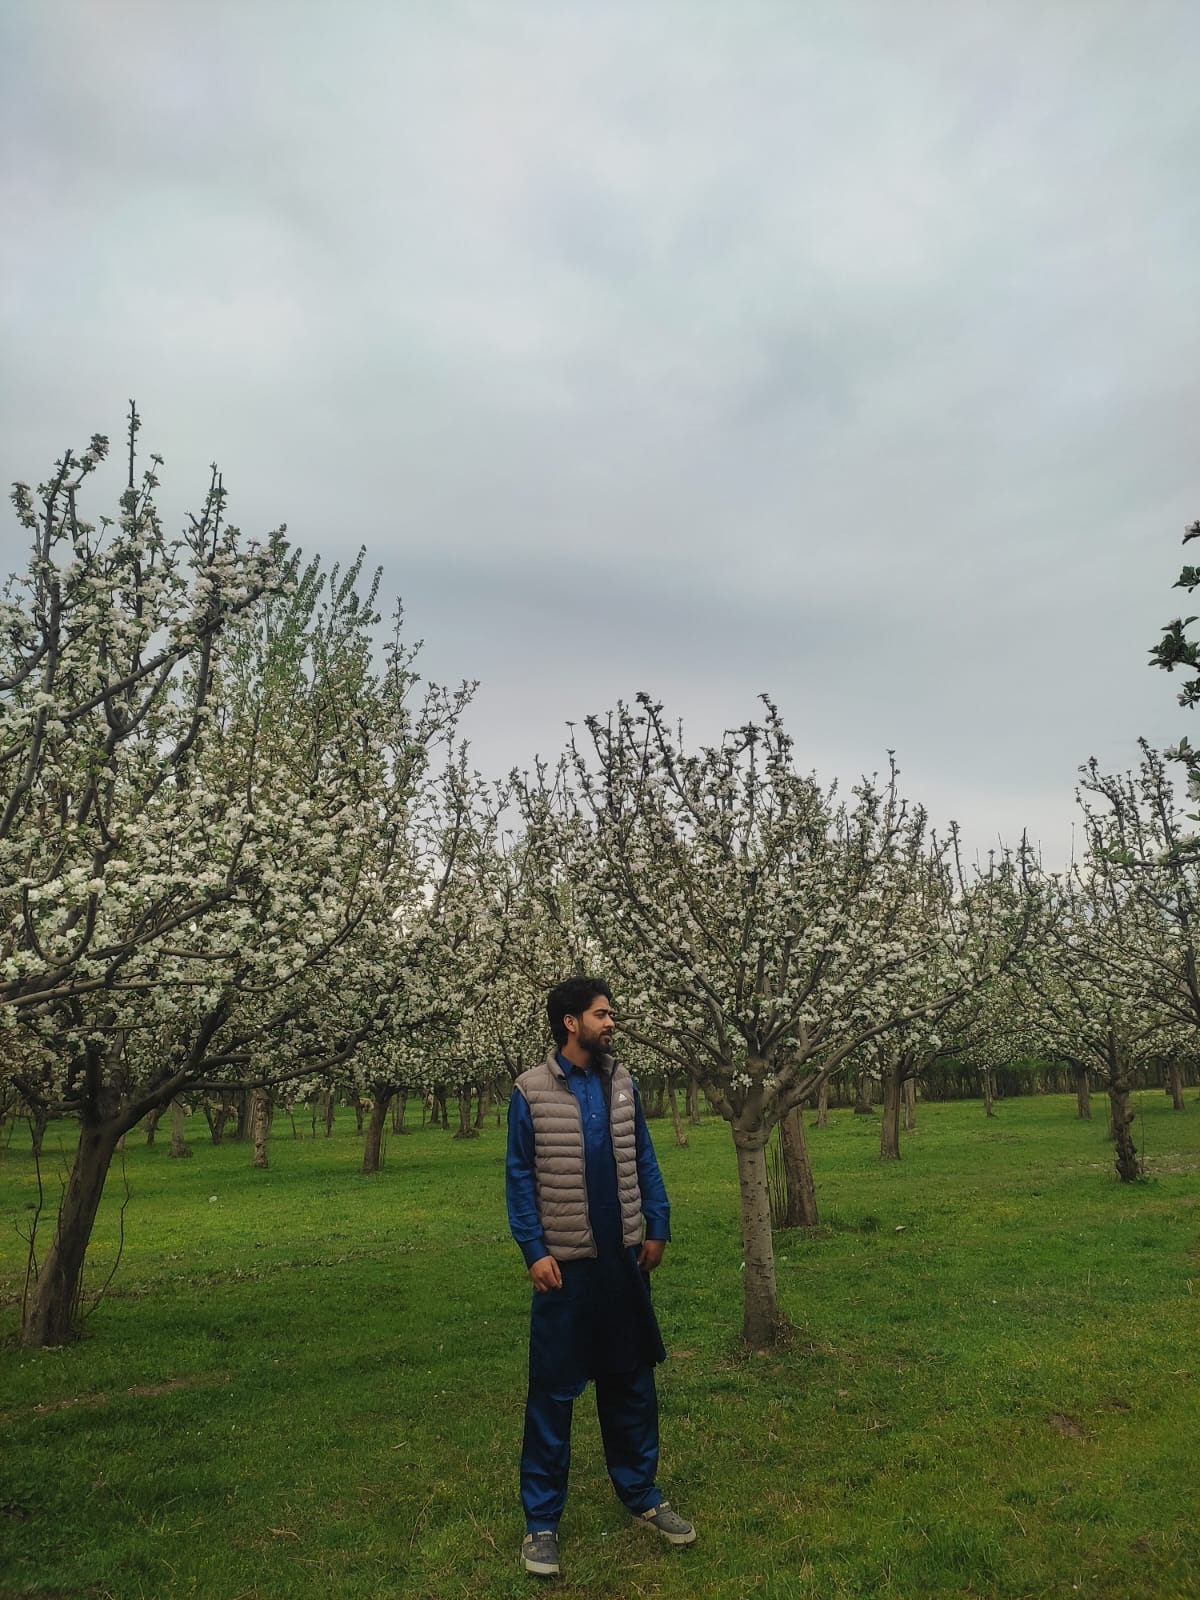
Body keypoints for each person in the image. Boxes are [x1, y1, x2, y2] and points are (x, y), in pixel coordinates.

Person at [506, 976, 697, 1579]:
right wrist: (534, 1249)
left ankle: (642, 1495)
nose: (612, 1022)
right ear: (571, 1022)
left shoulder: (622, 1083)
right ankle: (541, 1525)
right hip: (565, 1270)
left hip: (624, 1265)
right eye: (602, 1014)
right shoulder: (530, 1091)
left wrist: (657, 1224)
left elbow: (643, 1156)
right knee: (553, 1397)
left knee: (631, 1385)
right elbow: (519, 1177)